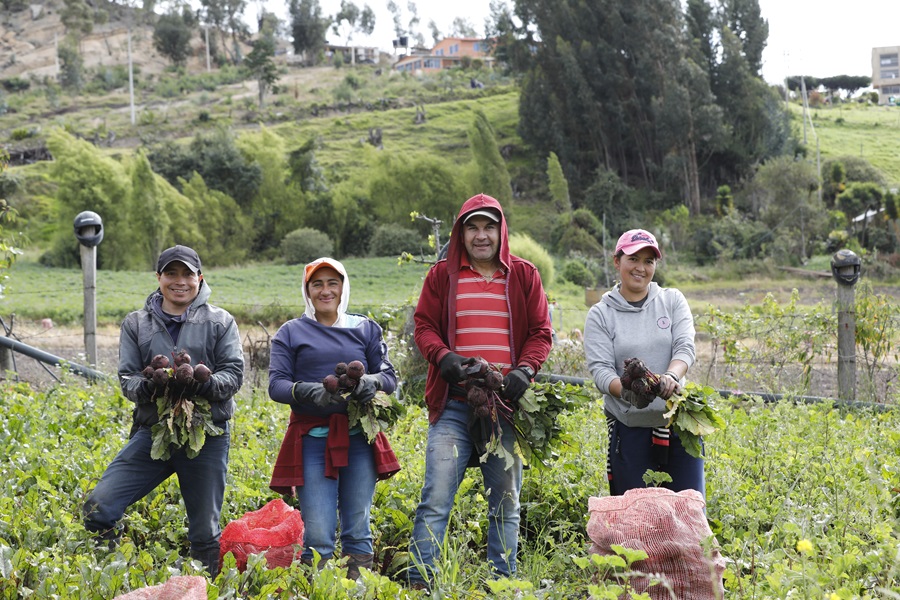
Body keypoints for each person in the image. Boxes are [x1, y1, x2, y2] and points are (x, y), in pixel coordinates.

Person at [408, 193, 553, 588]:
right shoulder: (443, 276)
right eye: (472, 227)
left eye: (489, 226)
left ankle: (501, 584)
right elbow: (423, 326)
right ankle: (421, 584)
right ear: (460, 233)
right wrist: (443, 357)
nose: (481, 235)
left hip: (503, 406)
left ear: (501, 230)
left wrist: (525, 370)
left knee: (506, 502)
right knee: (435, 498)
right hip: (455, 403)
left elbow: (541, 332)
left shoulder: (523, 275)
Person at [83, 245, 244, 578]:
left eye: (187, 274)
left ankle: (205, 588)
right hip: (153, 432)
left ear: (199, 278)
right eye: (171, 273)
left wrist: (201, 383)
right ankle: (114, 578)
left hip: (206, 435)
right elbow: (127, 377)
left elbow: (233, 374)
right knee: (99, 506)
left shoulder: (220, 321)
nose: (179, 281)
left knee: (204, 532)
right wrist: (151, 386)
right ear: (159, 278)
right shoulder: (136, 324)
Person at [268, 257, 399, 580]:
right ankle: (322, 587)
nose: (325, 291)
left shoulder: (365, 328)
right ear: (307, 290)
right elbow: (277, 385)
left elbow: (389, 377)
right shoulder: (291, 332)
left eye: (332, 283)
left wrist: (371, 382)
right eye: (317, 284)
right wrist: (311, 393)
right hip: (312, 441)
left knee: (358, 525)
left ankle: (357, 587)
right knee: (319, 532)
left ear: (343, 287)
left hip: (358, 438)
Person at [583, 229, 702, 497]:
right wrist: (626, 392)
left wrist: (671, 376)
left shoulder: (672, 301)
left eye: (649, 261)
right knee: (637, 520)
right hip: (630, 429)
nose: (641, 268)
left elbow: (685, 347)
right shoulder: (601, 314)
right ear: (617, 261)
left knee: (687, 508)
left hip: (679, 425)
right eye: (633, 259)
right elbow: (601, 371)